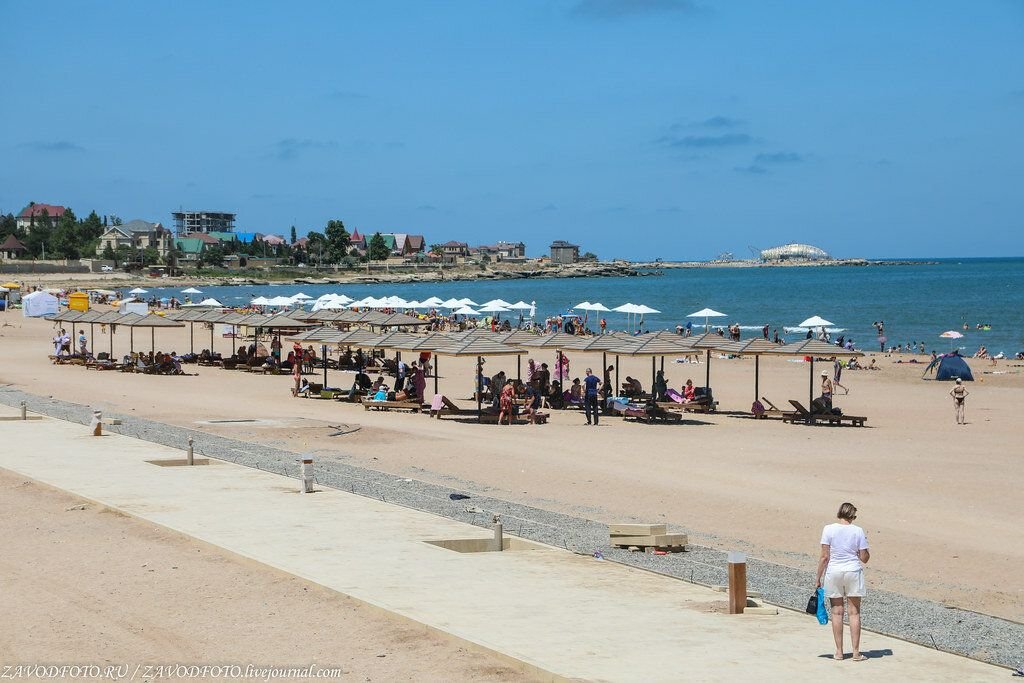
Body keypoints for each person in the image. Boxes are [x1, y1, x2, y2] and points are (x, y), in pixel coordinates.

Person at [815, 502, 870, 662]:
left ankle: (839, 652)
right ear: (852, 516)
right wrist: (864, 549)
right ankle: (856, 653)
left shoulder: (828, 529)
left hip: (834, 572)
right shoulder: (858, 531)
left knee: (836, 612)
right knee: (854, 613)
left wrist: (818, 578)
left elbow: (824, 556)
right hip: (853, 571)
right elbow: (864, 558)